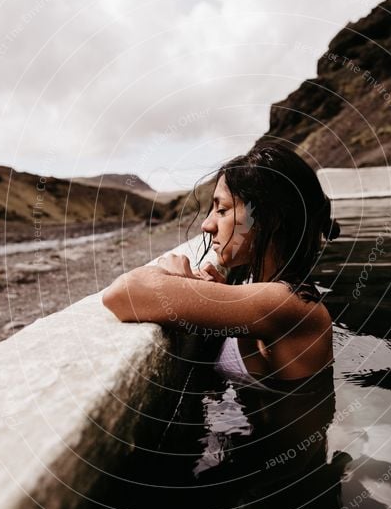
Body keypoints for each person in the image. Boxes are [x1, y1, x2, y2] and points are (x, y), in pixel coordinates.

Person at [102, 138, 340, 382]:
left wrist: (172, 277)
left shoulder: (287, 305)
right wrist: (215, 293)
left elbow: (123, 293)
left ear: (271, 219)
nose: (207, 225)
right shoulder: (275, 298)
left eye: (223, 210)